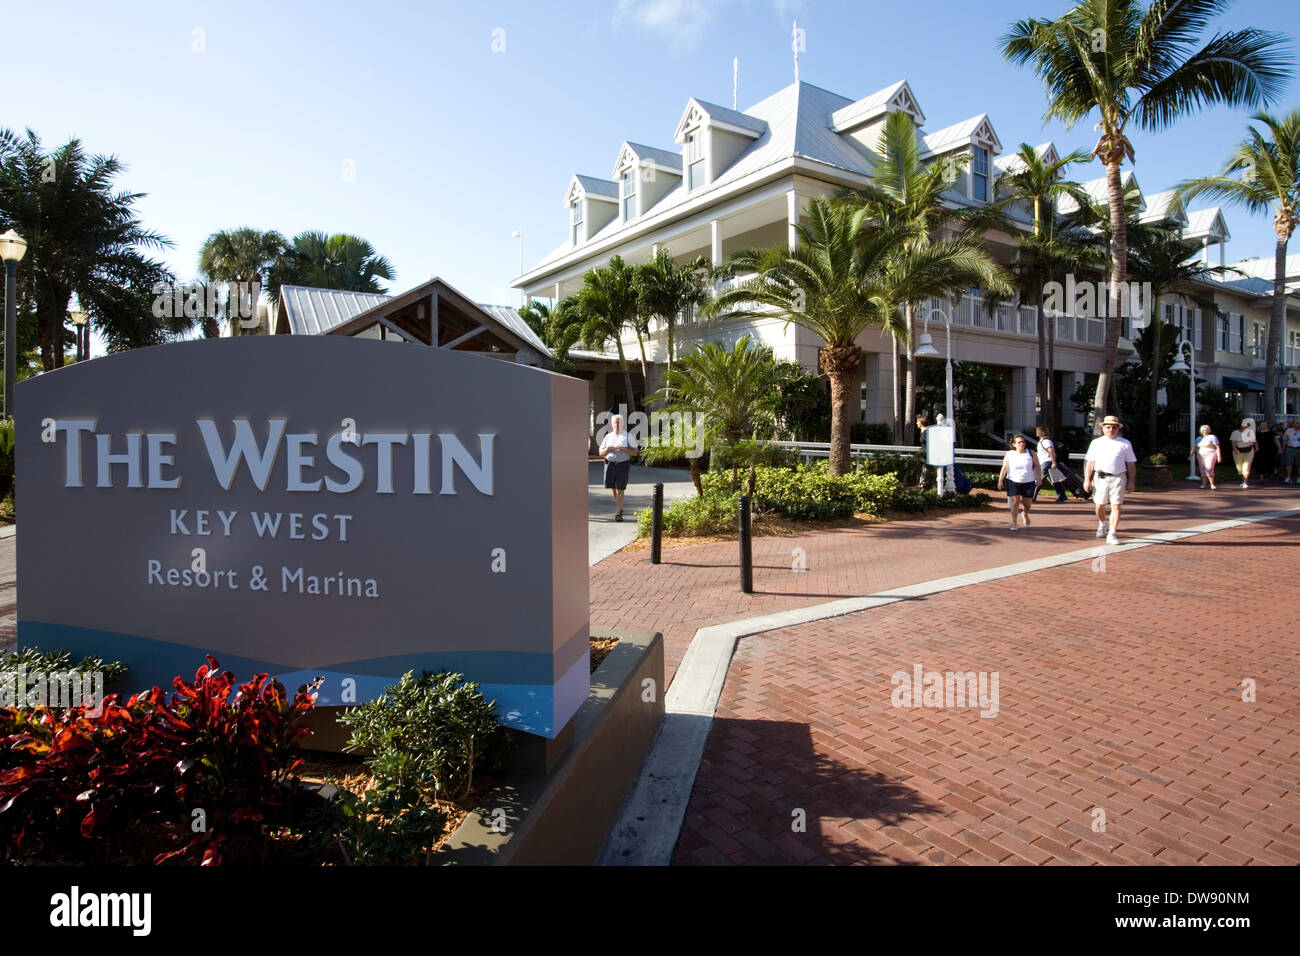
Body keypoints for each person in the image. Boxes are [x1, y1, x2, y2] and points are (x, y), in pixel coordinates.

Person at [1083, 416, 1137, 546]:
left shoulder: (1125, 443)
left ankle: (1112, 533)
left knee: (1116, 506)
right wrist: (1087, 479)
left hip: (1118, 477)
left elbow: (1131, 464)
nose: (1110, 429)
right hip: (1100, 477)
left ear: (1118, 428)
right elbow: (1090, 462)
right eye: (1108, 427)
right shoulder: (1096, 443)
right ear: (1103, 428)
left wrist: (1131, 481)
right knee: (1099, 505)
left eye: (1113, 427)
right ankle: (1102, 523)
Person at [598, 413, 638, 521]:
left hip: (622, 465)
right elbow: (601, 453)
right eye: (615, 422)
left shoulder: (628, 436)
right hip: (610, 465)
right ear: (612, 424)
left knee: (621, 488)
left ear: (622, 423)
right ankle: (619, 507)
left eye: (619, 422)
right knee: (613, 487)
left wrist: (624, 449)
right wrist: (608, 450)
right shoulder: (608, 437)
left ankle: (618, 513)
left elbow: (635, 452)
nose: (617, 424)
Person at [998, 435, 1042, 531]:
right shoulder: (1009, 454)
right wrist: (1000, 480)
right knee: (1015, 501)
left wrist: (1039, 478)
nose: (1022, 444)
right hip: (1013, 481)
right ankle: (1014, 523)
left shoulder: (1031, 453)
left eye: (1023, 442)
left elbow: (1038, 466)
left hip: (1029, 481)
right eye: (1019, 442)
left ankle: (1025, 513)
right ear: (1014, 444)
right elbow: (1004, 468)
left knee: (1027, 503)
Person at [1035, 425, 1068, 503]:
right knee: (1054, 480)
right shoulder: (1042, 441)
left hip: (1047, 462)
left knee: (1039, 478)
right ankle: (1062, 495)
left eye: (1037, 430)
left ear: (1042, 432)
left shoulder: (1046, 441)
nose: (1036, 432)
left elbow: (1051, 451)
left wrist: (1053, 462)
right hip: (1046, 462)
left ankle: (1032, 495)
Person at [1228, 418, 1257, 489]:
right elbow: (1233, 444)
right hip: (1238, 451)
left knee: (1246, 467)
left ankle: (1245, 482)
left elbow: (1254, 441)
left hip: (1249, 451)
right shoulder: (1235, 433)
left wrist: (1257, 447)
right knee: (1239, 469)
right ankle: (1243, 480)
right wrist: (1235, 449)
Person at [1194, 424, 1222, 491]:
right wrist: (1191, 455)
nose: (1204, 431)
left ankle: (1212, 484)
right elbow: (1195, 447)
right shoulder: (1198, 438)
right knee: (1202, 469)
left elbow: (1217, 447)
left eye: (1205, 429)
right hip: (1200, 455)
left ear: (1208, 430)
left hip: (1210, 453)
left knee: (1209, 468)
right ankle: (1204, 484)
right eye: (1202, 430)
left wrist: (1219, 456)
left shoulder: (1212, 437)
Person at [1283, 419, 1300, 484]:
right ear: (1293, 424)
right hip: (1290, 448)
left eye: (1299, 423)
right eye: (1296, 423)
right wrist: (1282, 450)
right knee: (1289, 463)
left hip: (1299, 448)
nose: (1298, 424)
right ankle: (1288, 478)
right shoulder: (1288, 430)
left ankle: (1299, 478)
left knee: (1299, 464)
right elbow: (1284, 440)